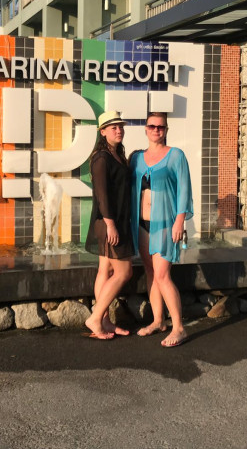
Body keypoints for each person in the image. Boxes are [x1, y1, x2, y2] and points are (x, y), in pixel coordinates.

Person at [130, 112, 193, 347]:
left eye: (161, 127)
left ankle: (179, 328)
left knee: (163, 274)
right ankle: (158, 321)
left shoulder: (175, 155)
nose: (156, 130)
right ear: (146, 129)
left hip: (165, 222)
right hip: (142, 223)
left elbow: (184, 189)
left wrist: (180, 221)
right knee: (150, 271)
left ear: (166, 130)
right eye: (152, 126)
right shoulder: (137, 158)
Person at [85, 111, 134, 340]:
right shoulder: (101, 157)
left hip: (113, 221)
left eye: (120, 126)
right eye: (113, 127)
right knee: (124, 271)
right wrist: (111, 224)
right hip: (108, 222)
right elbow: (102, 194)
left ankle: (104, 321)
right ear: (102, 131)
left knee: (105, 269)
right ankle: (95, 318)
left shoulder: (117, 154)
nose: (118, 130)